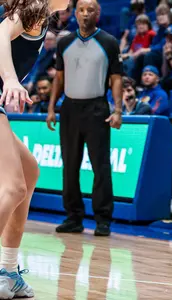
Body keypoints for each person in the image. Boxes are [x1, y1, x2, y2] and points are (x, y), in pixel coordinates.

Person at [0, 0, 70, 298]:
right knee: (13, 188)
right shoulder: (31, 11)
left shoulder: (42, 20)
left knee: (29, 176)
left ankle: (8, 269)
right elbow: (1, 33)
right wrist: (11, 80)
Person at [46, 0, 123, 237]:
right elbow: (58, 78)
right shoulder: (65, 42)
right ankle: (73, 217)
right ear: (75, 13)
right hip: (69, 108)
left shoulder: (108, 42)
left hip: (96, 108)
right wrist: (51, 108)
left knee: (100, 165)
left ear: (98, 14)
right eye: (81, 10)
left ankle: (103, 219)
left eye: (90, 10)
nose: (85, 14)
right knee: (69, 165)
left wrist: (118, 110)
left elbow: (117, 78)